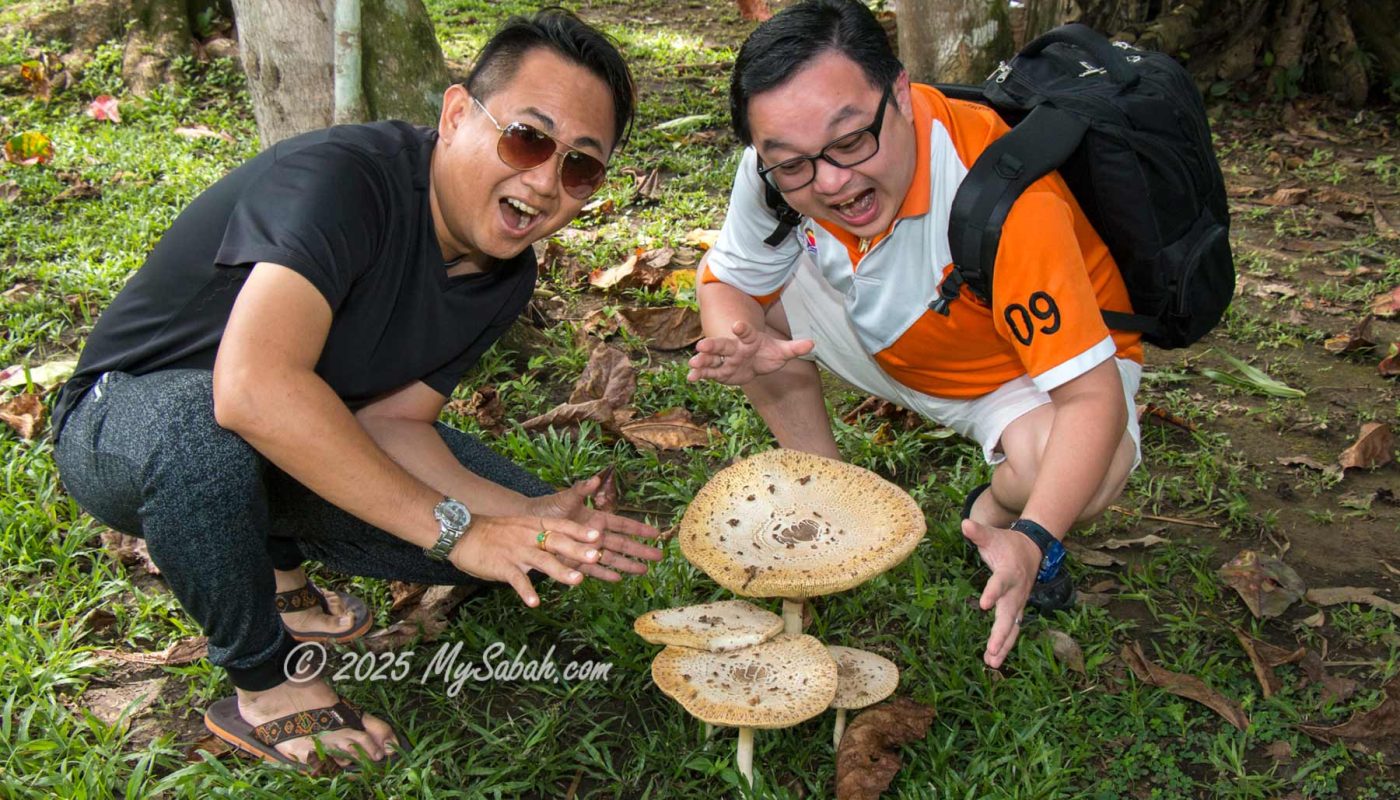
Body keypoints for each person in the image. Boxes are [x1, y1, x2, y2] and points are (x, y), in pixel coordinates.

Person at [51, 10, 663, 769]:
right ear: (454, 115)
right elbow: (250, 389)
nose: (544, 183)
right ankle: (265, 681)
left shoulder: (506, 273)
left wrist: (523, 514)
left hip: (278, 441)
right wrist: (459, 529)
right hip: (129, 420)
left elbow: (397, 423)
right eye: (527, 138)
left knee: (532, 554)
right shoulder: (344, 179)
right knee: (199, 435)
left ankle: (273, 562)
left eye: (580, 167)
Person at [688, 0, 1143, 670]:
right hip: (885, 333)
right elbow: (727, 280)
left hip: (1014, 370)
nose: (833, 181)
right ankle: (833, 508)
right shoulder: (777, 169)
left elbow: (1091, 400)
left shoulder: (1007, 197)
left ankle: (987, 516)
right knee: (755, 312)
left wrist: (1034, 533)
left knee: (1093, 466)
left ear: (899, 91)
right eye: (794, 164)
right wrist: (738, 333)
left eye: (851, 142)